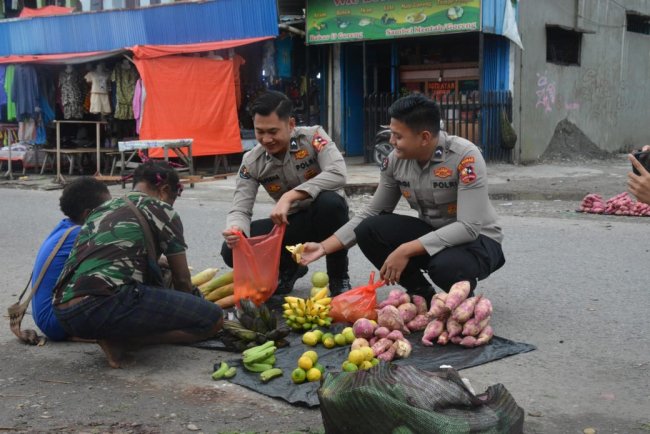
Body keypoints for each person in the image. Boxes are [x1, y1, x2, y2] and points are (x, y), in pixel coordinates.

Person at [300, 94, 505, 300]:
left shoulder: (465, 156)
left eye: (398, 136)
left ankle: (464, 299)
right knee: (369, 229)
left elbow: (468, 227)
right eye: (391, 134)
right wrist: (323, 247)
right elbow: (372, 211)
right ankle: (421, 294)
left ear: (424, 137)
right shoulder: (395, 161)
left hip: (479, 240)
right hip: (434, 233)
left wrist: (406, 249)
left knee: (444, 267)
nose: (391, 141)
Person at [53, 161, 223, 368]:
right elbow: (182, 279)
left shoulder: (101, 209)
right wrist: (194, 308)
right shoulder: (162, 210)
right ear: (165, 190)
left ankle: (111, 335)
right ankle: (127, 341)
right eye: (173, 198)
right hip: (103, 305)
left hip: (64, 313)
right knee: (213, 320)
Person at [221, 90, 351, 295]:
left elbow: (338, 173)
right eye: (259, 132)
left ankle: (338, 277)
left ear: (290, 124)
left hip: (327, 217)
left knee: (331, 203)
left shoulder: (313, 137)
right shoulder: (252, 162)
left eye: (273, 131)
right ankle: (290, 268)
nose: (266, 139)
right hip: (291, 223)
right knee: (231, 251)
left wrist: (290, 196)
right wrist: (236, 230)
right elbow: (241, 208)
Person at [31, 177, 111, 342]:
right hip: (54, 321)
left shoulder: (66, 226)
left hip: (45, 318)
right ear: (88, 214)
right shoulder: (80, 234)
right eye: (108, 208)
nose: (112, 213)